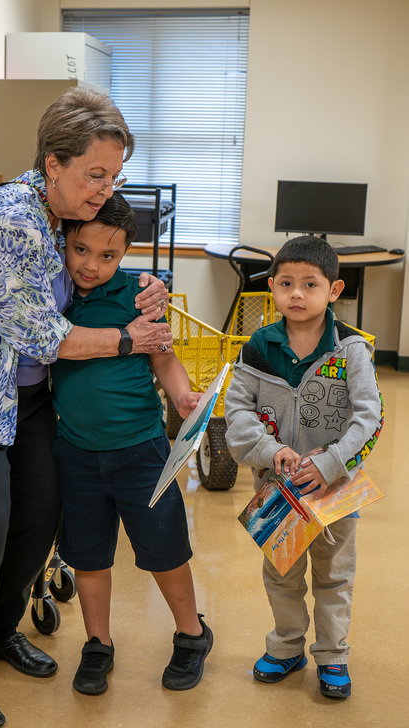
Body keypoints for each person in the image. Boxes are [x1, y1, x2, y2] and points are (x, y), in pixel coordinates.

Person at [0, 88, 172, 728]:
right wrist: (133, 339)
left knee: (42, 508)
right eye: (94, 174)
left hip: (21, 389)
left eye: (114, 176)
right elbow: (48, 337)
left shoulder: (65, 214)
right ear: (54, 163)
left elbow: (93, 269)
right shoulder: (11, 219)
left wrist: (143, 287)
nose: (104, 189)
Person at [49, 192, 213, 696]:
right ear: (63, 242)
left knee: (164, 550)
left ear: (124, 255)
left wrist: (183, 397)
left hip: (141, 450)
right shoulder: (53, 293)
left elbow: (163, 357)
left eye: (108, 256)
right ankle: (98, 643)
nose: (91, 266)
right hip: (75, 452)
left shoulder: (138, 294)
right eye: (81, 250)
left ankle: (191, 635)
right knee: (89, 557)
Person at [224, 235, 383, 699]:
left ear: (333, 291)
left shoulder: (351, 348)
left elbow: (369, 418)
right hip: (277, 491)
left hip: (334, 491)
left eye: (310, 284)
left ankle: (333, 656)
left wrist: (333, 462)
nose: (296, 294)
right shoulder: (258, 348)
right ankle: (287, 646)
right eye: (286, 283)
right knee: (282, 574)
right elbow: (237, 412)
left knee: (334, 576)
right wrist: (270, 451)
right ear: (271, 286)